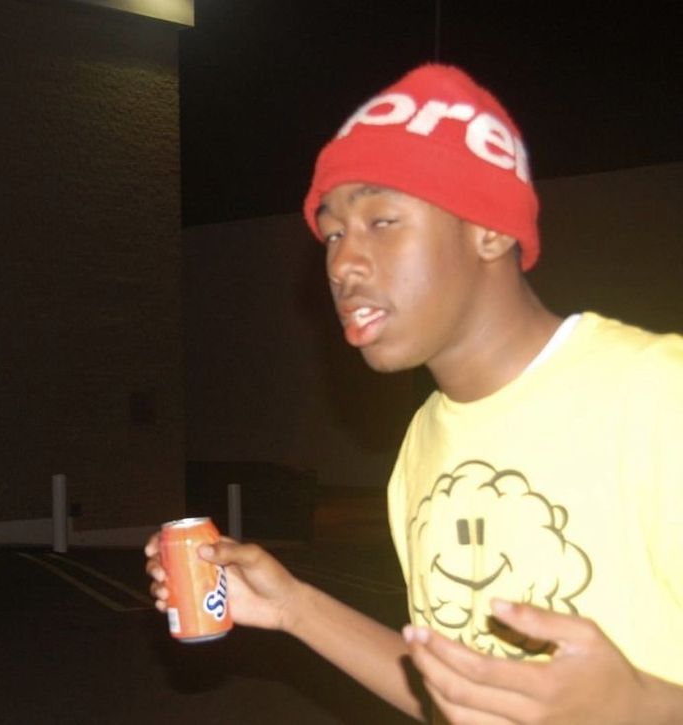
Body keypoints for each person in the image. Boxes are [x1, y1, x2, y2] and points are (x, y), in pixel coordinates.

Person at [146, 63, 683, 723]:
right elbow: (452, 696)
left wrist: (645, 707)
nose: (341, 263)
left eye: (382, 219)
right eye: (334, 232)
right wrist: (291, 606)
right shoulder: (422, 447)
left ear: (491, 228)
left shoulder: (659, 397)